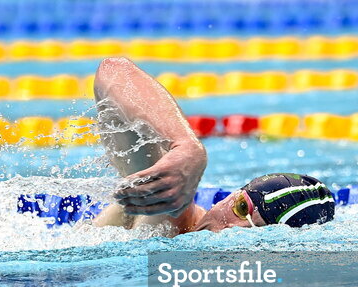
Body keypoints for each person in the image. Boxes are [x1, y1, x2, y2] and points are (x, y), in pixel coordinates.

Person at [91, 57, 335, 235]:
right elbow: (113, 71)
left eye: (254, 233)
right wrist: (186, 146)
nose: (233, 229)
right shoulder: (164, 208)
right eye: (241, 208)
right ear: (231, 197)